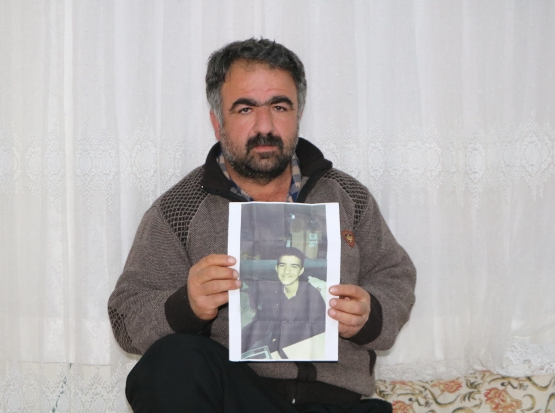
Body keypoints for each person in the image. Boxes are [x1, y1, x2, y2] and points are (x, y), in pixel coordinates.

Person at [108, 38, 416, 413]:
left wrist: (370, 315)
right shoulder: (178, 210)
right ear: (217, 122)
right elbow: (125, 317)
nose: (265, 126)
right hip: (236, 399)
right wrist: (185, 306)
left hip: (336, 404)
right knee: (172, 361)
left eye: (279, 106)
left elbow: (394, 274)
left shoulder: (348, 197)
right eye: (245, 109)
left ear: (298, 114)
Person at [242, 247, 326, 358]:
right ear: (276, 268)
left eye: (293, 266)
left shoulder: (312, 296)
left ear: (301, 271)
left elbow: (318, 333)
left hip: (299, 351)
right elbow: (260, 321)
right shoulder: (274, 294)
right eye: (282, 265)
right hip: (275, 344)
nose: (287, 271)